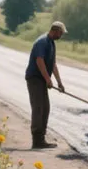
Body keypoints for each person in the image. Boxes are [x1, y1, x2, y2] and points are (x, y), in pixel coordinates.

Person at [24, 21, 67, 149]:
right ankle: (37, 141)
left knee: (45, 108)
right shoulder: (42, 42)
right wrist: (48, 79)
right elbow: (39, 61)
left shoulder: (51, 43)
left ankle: (41, 139)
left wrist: (59, 82)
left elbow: (53, 64)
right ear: (55, 30)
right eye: (61, 33)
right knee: (38, 108)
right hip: (35, 79)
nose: (61, 36)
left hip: (42, 80)